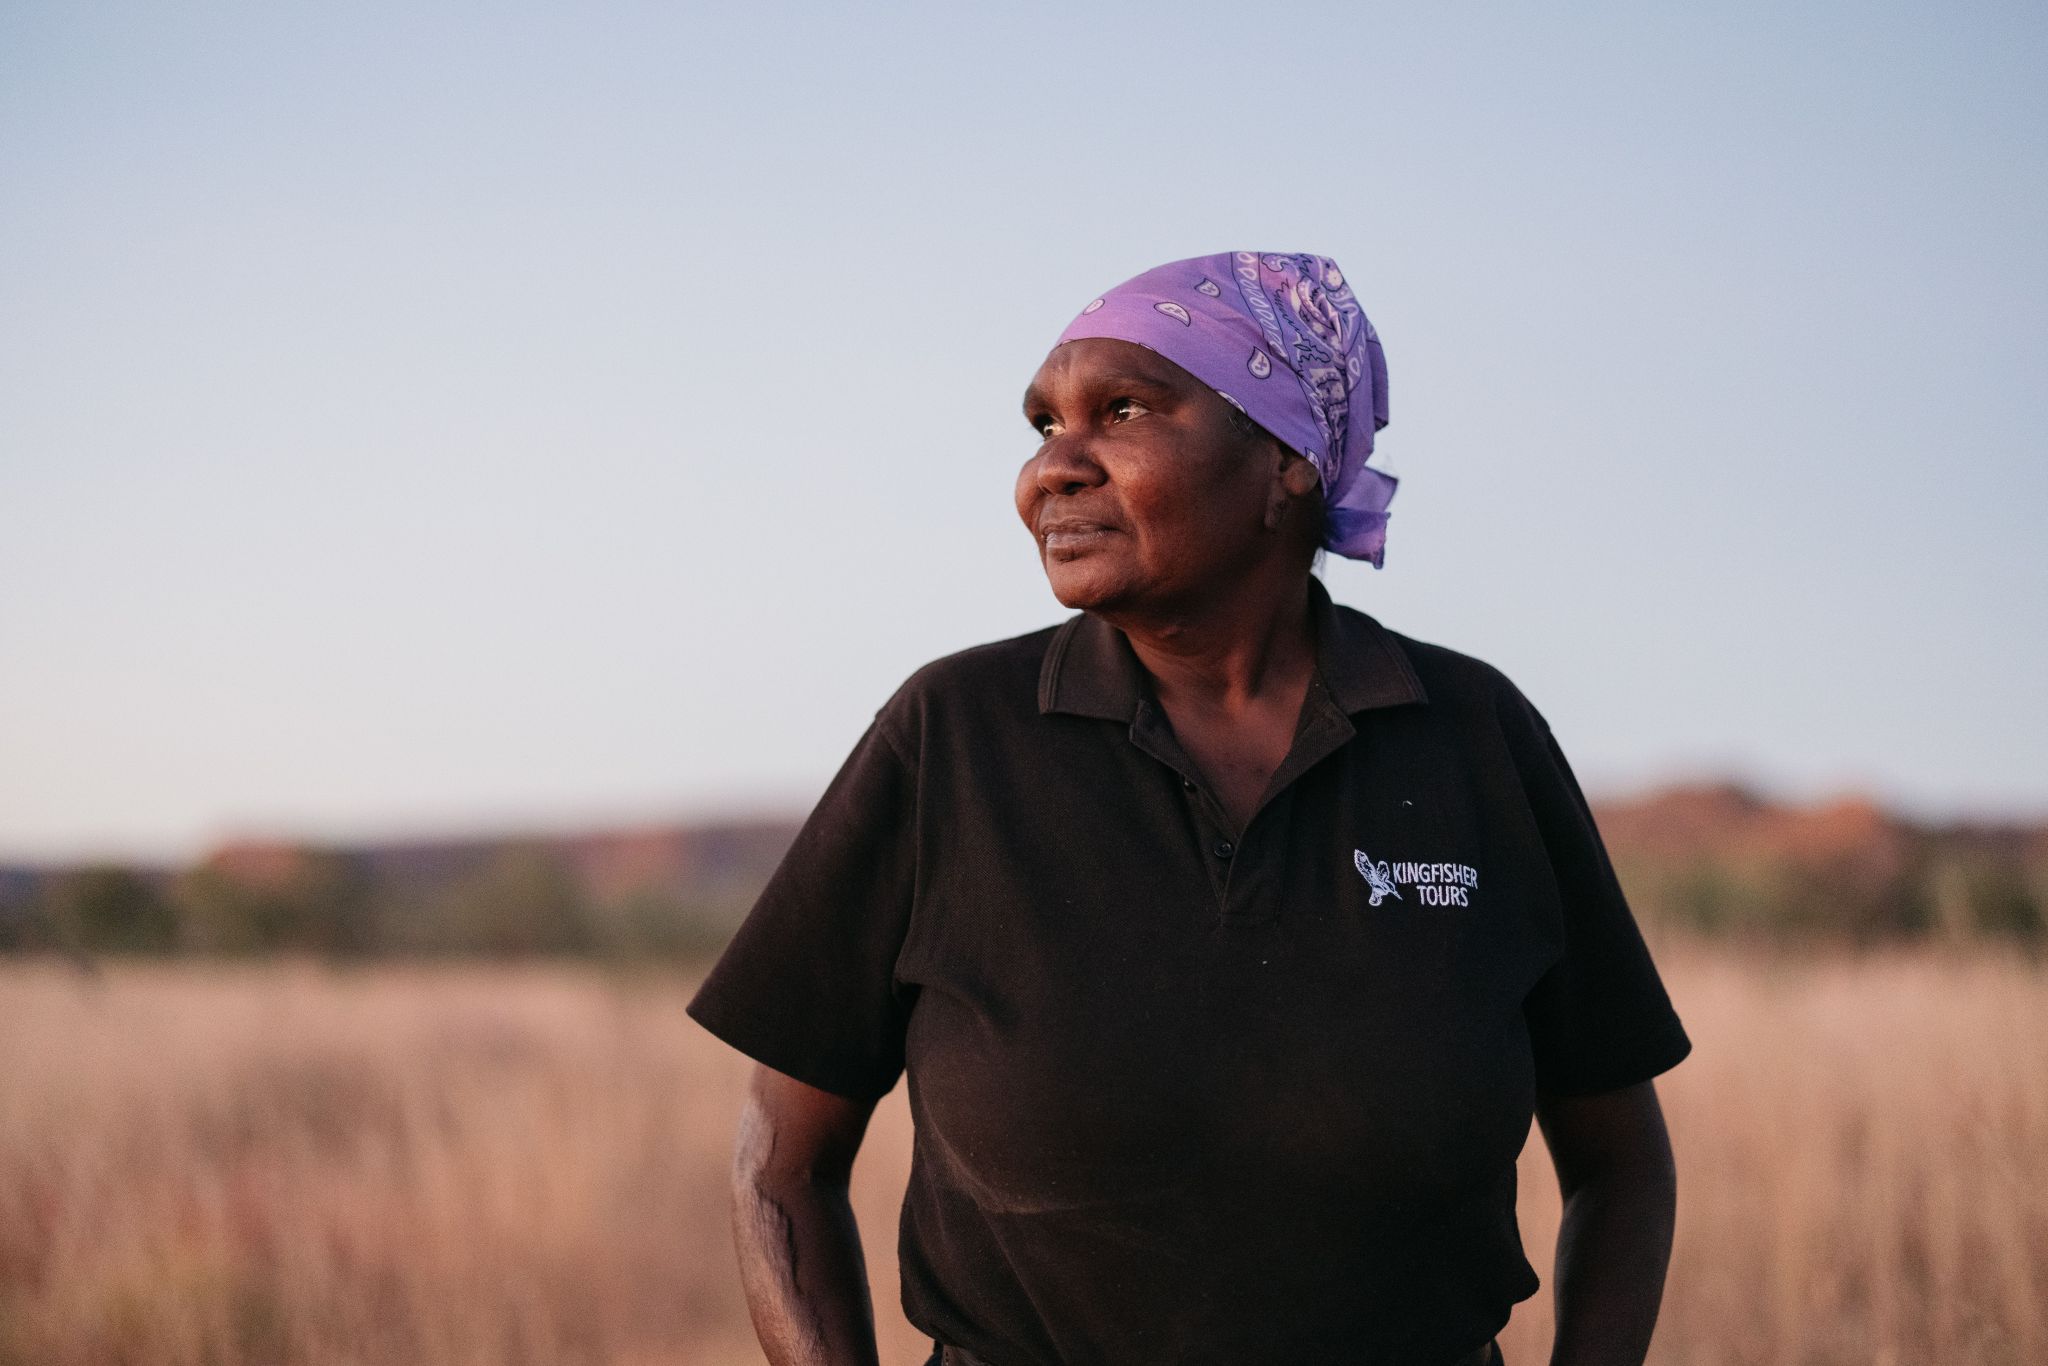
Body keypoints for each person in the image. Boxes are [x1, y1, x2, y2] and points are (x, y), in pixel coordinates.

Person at [686, 251, 1692, 1366]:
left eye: (1119, 410)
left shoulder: (1469, 736)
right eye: (1038, 427)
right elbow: (780, 1159)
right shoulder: (952, 737)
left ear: (1284, 461)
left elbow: (1619, 1162)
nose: (1050, 471)